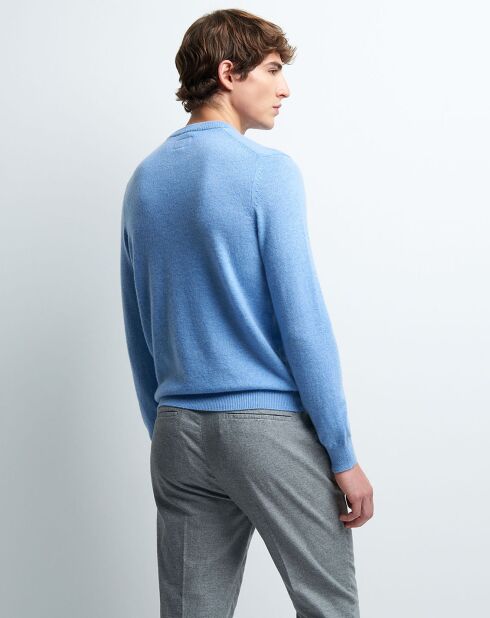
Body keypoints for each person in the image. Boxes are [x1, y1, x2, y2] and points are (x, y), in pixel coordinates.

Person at [120, 8, 373, 618]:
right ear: (229, 73)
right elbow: (302, 321)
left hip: (177, 429)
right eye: (273, 69)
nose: (285, 88)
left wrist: (167, 428)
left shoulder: (144, 181)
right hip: (263, 428)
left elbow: (138, 324)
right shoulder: (267, 173)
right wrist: (342, 454)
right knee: (329, 607)